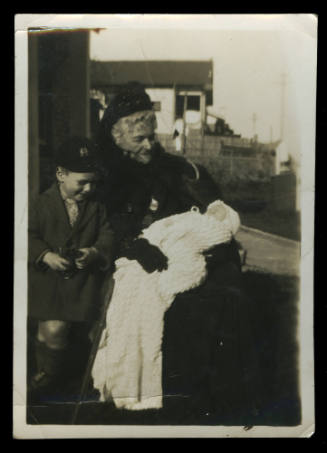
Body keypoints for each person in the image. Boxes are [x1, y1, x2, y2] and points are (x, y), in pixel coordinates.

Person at [95, 83, 264, 424]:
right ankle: (160, 392)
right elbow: (104, 228)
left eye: (150, 136)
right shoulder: (105, 177)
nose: (148, 145)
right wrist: (134, 247)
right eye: (138, 139)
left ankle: (213, 395)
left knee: (222, 301)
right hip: (133, 261)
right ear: (117, 138)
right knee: (164, 311)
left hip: (183, 257)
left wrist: (207, 244)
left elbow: (209, 215)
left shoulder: (174, 169)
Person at [28, 136, 115, 403]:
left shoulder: (97, 206)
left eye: (93, 182)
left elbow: (107, 235)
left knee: (90, 332)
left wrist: (94, 252)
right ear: (60, 175)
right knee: (52, 330)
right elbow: (26, 236)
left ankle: (85, 378)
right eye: (82, 182)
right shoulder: (39, 204)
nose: (88, 188)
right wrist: (45, 255)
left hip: (84, 284)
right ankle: (47, 375)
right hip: (50, 284)